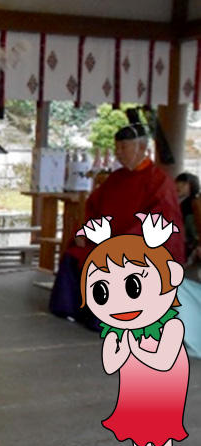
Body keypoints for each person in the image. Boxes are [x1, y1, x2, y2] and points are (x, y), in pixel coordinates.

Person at [49, 123, 185, 330]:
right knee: (75, 253)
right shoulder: (116, 178)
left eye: (124, 147)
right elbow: (93, 209)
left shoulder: (159, 182)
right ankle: (71, 309)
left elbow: (159, 220)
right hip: (107, 240)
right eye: (117, 148)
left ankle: (107, 317)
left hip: (142, 246)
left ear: (141, 148)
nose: (118, 153)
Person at [77, 213, 187, 446]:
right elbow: (110, 365)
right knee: (140, 441)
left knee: (159, 442)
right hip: (134, 392)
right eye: (102, 292)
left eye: (133, 287)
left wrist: (133, 347)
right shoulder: (119, 331)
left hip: (163, 395)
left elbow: (163, 361)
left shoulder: (170, 326)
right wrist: (116, 345)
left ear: (171, 277)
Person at [175, 172, 199, 262]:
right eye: (177, 182)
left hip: (186, 251)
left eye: (184, 183)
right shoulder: (172, 202)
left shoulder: (193, 205)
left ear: (192, 186)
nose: (179, 186)